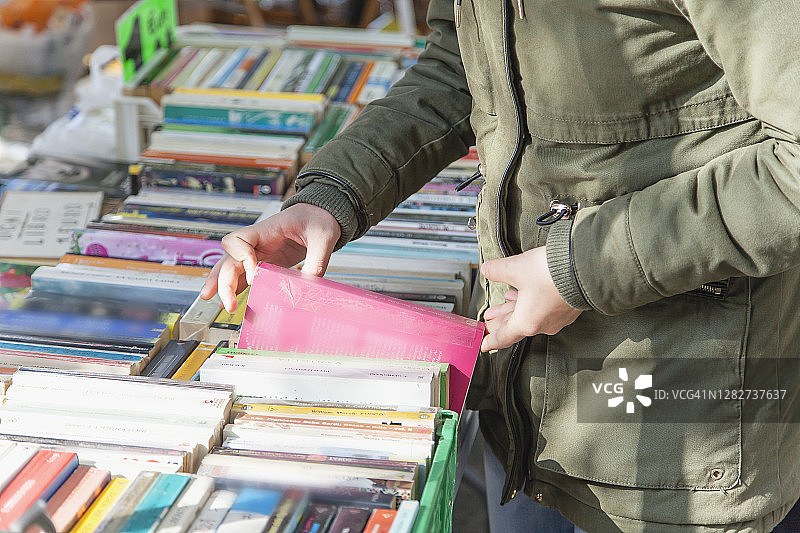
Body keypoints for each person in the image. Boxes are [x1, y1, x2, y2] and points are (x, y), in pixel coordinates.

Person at [201, 0, 800, 531]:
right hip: (525, 423)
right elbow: (459, 66)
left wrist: (583, 267)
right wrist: (333, 195)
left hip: (682, 437)